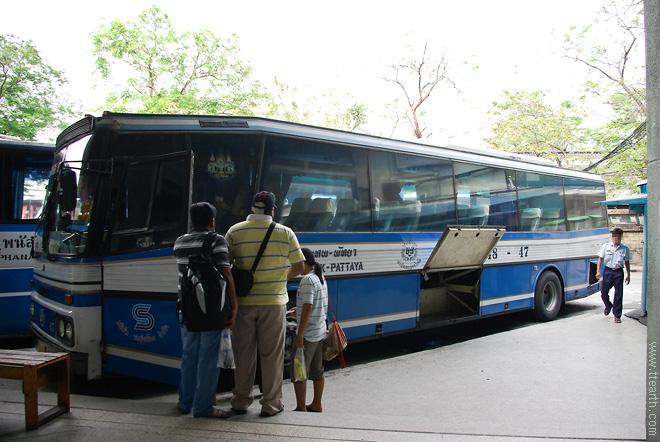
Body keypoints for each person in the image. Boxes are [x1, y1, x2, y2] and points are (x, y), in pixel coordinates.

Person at [222, 191, 305, 418]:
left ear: (251, 208)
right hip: (274, 303)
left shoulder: (234, 231)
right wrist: (280, 279)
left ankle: (241, 400)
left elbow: (225, 267)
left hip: (244, 303)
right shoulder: (285, 233)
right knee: (271, 355)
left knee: (243, 353)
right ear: (272, 210)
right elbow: (298, 266)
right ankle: (271, 404)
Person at [174, 202, 237, 418]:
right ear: (212, 221)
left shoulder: (180, 242)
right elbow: (226, 274)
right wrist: (233, 305)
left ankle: (185, 403)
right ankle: (203, 408)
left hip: (187, 307)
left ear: (191, 221)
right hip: (210, 308)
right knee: (208, 358)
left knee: (189, 355)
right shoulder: (217, 241)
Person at [291, 248, 329, 413]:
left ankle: (301, 406)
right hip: (320, 331)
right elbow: (313, 304)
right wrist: (296, 310)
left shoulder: (306, 280)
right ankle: (316, 404)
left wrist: (299, 334)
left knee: (299, 370)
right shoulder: (319, 277)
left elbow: (308, 307)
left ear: (302, 261)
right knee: (317, 371)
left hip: (308, 334)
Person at [596, 227, 632, 323]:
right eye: (615, 237)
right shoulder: (606, 246)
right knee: (604, 292)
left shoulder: (624, 248)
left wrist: (628, 274)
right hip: (608, 272)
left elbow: (627, 262)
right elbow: (600, 259)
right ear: (612, 237)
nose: (617, 239)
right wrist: (598, 271)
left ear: (621, 237)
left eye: (619, 237)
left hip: (618, 272)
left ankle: (617, 315)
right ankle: (608, 305)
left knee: (618, 295)